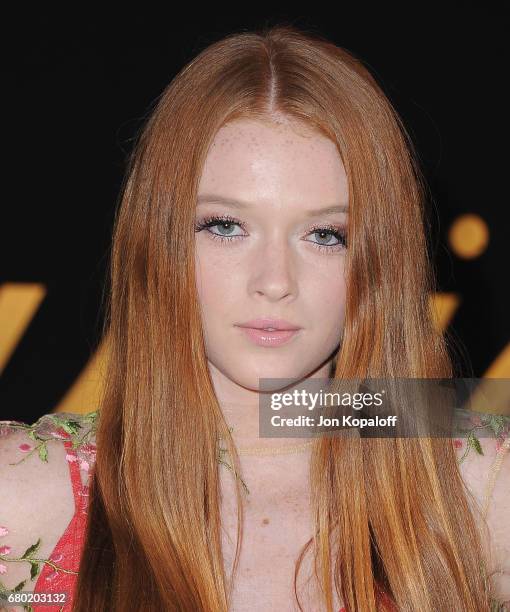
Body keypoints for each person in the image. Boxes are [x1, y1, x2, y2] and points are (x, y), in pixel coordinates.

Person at [0, 23, 509, 612]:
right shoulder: (24, 498)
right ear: (158, 240)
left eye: (325, 234)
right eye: (225, 226)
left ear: (380, 258)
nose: (274, 281)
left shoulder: (475, 493)